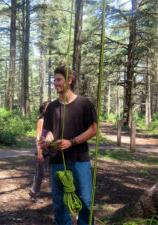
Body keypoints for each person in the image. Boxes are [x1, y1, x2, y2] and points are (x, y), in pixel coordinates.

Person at [40, 66, 97, 225]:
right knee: (60, 203)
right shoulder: (52, 107)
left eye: (58, 79)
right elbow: (48, 132)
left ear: (69, 81)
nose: (55, 83)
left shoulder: (84, 103)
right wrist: (46, 140)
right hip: (58, 162)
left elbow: (93, 130)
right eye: (54, 79)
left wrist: (71, 142)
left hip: (80, 161)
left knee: (85, 201)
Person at [29, 101, 51, 203]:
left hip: (52, 149)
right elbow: (38, 137)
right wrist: (39, 152)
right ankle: (35, 193)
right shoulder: (41, 120)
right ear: (43, 109)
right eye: (48, 107)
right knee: (40, 173)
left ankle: (53, 191)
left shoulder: (51, 120)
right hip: (42, 149)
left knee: (52, 172)